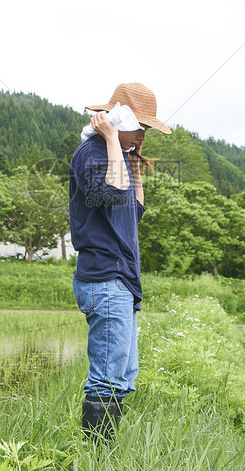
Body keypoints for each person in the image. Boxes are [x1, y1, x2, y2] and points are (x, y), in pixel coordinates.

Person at [68, 82, 171, 443]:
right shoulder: (93, 153)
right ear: (118, 120)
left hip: (121, 281)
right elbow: (108, 193)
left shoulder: (118, 158)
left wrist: (130, 159)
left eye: (146, 130)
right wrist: (113, 140)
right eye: (139, 127)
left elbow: (134, 211)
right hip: (105, 279)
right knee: (107, 379)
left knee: (123, 375)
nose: (143, 135)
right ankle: (95, 457)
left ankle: (103, 455)